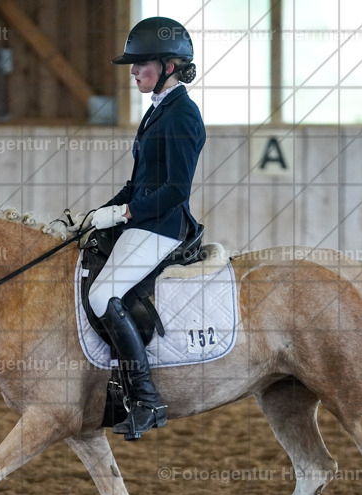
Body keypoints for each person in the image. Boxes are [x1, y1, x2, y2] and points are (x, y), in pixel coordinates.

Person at [86, 16, 205, 440]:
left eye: (141, 64)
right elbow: (138, 183)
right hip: (144, 220)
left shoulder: (183, 115)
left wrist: (125, 214)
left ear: (169, 66)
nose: (133, 71)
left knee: (102, 294)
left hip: (163, 226)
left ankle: (147, 399)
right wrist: (99, 213)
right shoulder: (157, 110)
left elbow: (175, 190)